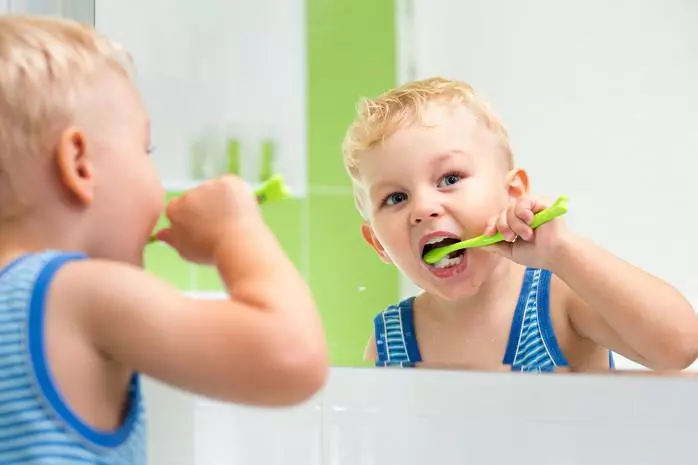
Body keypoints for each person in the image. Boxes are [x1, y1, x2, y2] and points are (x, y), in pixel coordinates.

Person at [0, 15, 327, 464]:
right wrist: (237, 231)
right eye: (144, 149)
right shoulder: (76, 293)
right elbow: (293, 357)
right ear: (79, 164)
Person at [342, 76, 698, 372]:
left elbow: (680, 347)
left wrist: (562, 250)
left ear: (512, 193)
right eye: (396, 198)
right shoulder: (390, 343)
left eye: (450, 179)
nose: (423, 208)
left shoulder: (560, 302)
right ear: (377, 244)